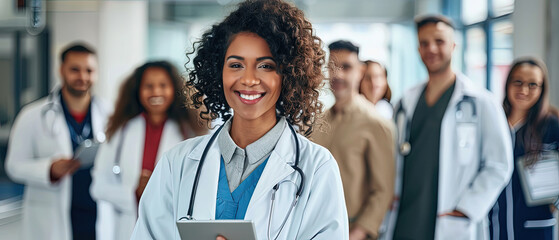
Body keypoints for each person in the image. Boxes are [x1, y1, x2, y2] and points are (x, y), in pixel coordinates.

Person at [130, 0, 349, 239]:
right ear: (218, 71)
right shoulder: (177, 163)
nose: (248, 79)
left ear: (288, 74)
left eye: (265, 66)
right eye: (236, 64)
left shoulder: (316, 168)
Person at [387, 15, 513, 240]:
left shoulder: (481, 102)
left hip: (449, 220)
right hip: (405, 220)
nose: (431, 49)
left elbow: (499, 165)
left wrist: (466, 209)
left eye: (439, 41)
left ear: (454, 45)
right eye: (424, 43)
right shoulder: (405, 102)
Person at [5, 43, 111, 240]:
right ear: (61, 69)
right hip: (52, 218)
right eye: (75, 69)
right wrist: (49, 169)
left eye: (89, 70)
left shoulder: (109, 114)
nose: (82, 77)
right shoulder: (32, 115)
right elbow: (13, 166)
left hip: (96, 215)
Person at [90, 61, 207, 240]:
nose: (156, 92)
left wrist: (156, 189)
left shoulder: (189, 133)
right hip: (128, 229)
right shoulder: (121, 131)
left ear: (174, 89)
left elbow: (201, 188)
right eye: (148, 86)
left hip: (169, 230)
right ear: (137, 90)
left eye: (163, 85)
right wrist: (133, 192)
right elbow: (97, 187)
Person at [313, 40, 395, 240]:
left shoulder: (376, 124)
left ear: (360, 71)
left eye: (346, 67)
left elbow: (382, 191)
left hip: (352, 233)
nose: (337, 74)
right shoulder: (317, 122)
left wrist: (356, 234)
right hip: (315, 229)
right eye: (332, 67)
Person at [488, 57, 559, 240]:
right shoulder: (494, 122)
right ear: (508, 83)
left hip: (535, 224)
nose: (524, 90)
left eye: (533, 84)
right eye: (517, 82)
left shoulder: (552, 125)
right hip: (495, 222)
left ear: (542, 89)